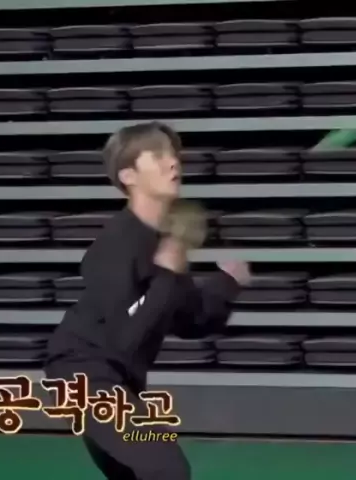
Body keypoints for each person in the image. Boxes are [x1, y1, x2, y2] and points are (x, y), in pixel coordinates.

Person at [45, 121, 251, 479]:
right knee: (165, 469)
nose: (173, 162)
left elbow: (193, 320)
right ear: (128, 176)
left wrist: (227, 282)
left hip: (118, 379)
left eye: (173, 155)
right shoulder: (114, 246)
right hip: (82, 376)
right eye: (156, 155)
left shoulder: (162, 245)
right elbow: (126, 336)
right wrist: (167, 274)